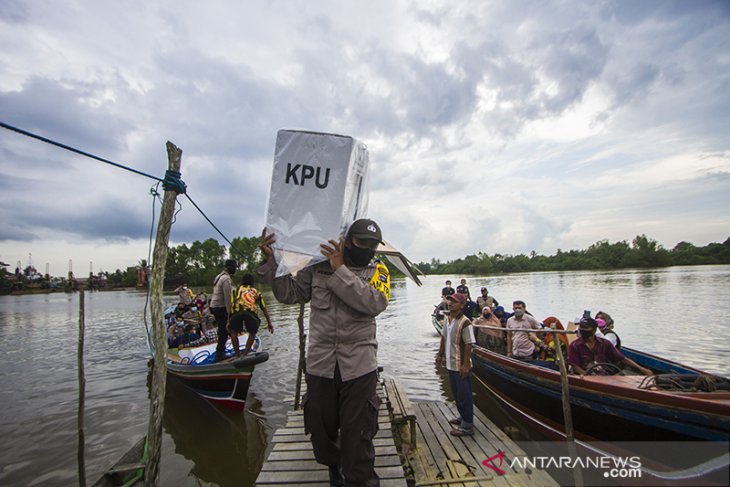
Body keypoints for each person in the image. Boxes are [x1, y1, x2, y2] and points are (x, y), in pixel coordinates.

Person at [257, 218, 389, 487]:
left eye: (373, 245)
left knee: (358, 433)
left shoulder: (380, 271)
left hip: (360, 367)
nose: (368, 249)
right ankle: (334, 469)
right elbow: (289, 295)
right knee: (323, 428)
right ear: (347, 240)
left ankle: (361, 480)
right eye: (362, 242)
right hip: (321, 364)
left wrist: (339, 269)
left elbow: (374, 302)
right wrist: (273, 262)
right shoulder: (317, 266)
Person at [436, 293, 476, 437]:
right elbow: (444, 337)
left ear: (462, 305)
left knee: (465, 395)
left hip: (460, 365)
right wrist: (440, 355)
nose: (450, 303)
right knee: (456, 393)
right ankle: (462, 417)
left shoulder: (465, 322)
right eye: (450, 300)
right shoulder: (447, 319)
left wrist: (465, 365)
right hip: (450, 363)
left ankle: (467, 426)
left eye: (454, 302)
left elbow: (469, 344)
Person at [568, 318, 651, 376]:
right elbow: (575, 366)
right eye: (581, 328)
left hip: (603, 376)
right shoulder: (575, 345)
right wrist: (586, 375)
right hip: (582, 377)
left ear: (594, 330)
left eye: (585, 328)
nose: (583, 330)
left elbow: (622, 359)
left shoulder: (604, 343)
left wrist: (641, 369)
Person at [229, 273, 274, 357]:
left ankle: (238, 355)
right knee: (253, 333)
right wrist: (269, 322)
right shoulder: (256, 292)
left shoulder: (235, 290)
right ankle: (245, 354)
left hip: (236, 312)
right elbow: (263, 307)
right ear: (252, 282)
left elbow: (230, 305)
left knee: (233, 332)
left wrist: (228, 321)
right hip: (250, 313)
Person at [211, 259, 237, 362]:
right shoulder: (226, 279)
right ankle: (220, 354)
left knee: (223, 330)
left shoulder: (219, 276)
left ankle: (221, 351)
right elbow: (228, 299)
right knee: (224, 330)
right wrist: (229, 315)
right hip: (220, 307)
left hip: (214, 306)